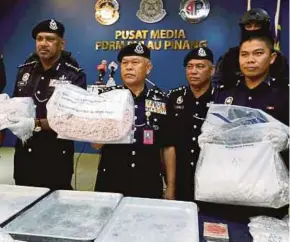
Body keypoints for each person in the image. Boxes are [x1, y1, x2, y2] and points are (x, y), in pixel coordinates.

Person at [213, 33, 289, 220]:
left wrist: (287, 140)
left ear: (272, 58)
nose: (250, 60)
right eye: (244, 54)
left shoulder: (284, 94)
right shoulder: (225, 95)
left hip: (268, 189)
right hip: (228, 187)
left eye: (258, 53)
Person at [92, 43, 176, 199]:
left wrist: (170, 186)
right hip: (111, 180)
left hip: (148, 182)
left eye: (135, 63)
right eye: (125, 63)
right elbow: (96, 145)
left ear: (148, 68)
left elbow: (168, 147)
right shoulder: (107, 98)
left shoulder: (161, 100)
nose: (129, 67)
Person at [10, 19, 86, 190]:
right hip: (24, 154)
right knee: (23, 204)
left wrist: (35, 124)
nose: (43, 44)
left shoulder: (74, 75)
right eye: (40, 39)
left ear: (62, 44)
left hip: (56, 155)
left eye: (50, 39)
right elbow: (17, 104)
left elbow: (71, 118)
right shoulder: (25, 70)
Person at [167, 47, 215, 202]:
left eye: (200, 66)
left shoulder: (222, 98)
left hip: (213, 179)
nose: (193, 71)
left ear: (212, 70)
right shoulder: (174, 98)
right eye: (190, 66)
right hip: (182, 177)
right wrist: (170, 186)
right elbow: (169, 144)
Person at [212, 8, 289, 89]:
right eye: (249, 26)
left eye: (257, 26)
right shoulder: (229, 56)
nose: (253, 29)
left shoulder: (279, 59)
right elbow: (217, 84)